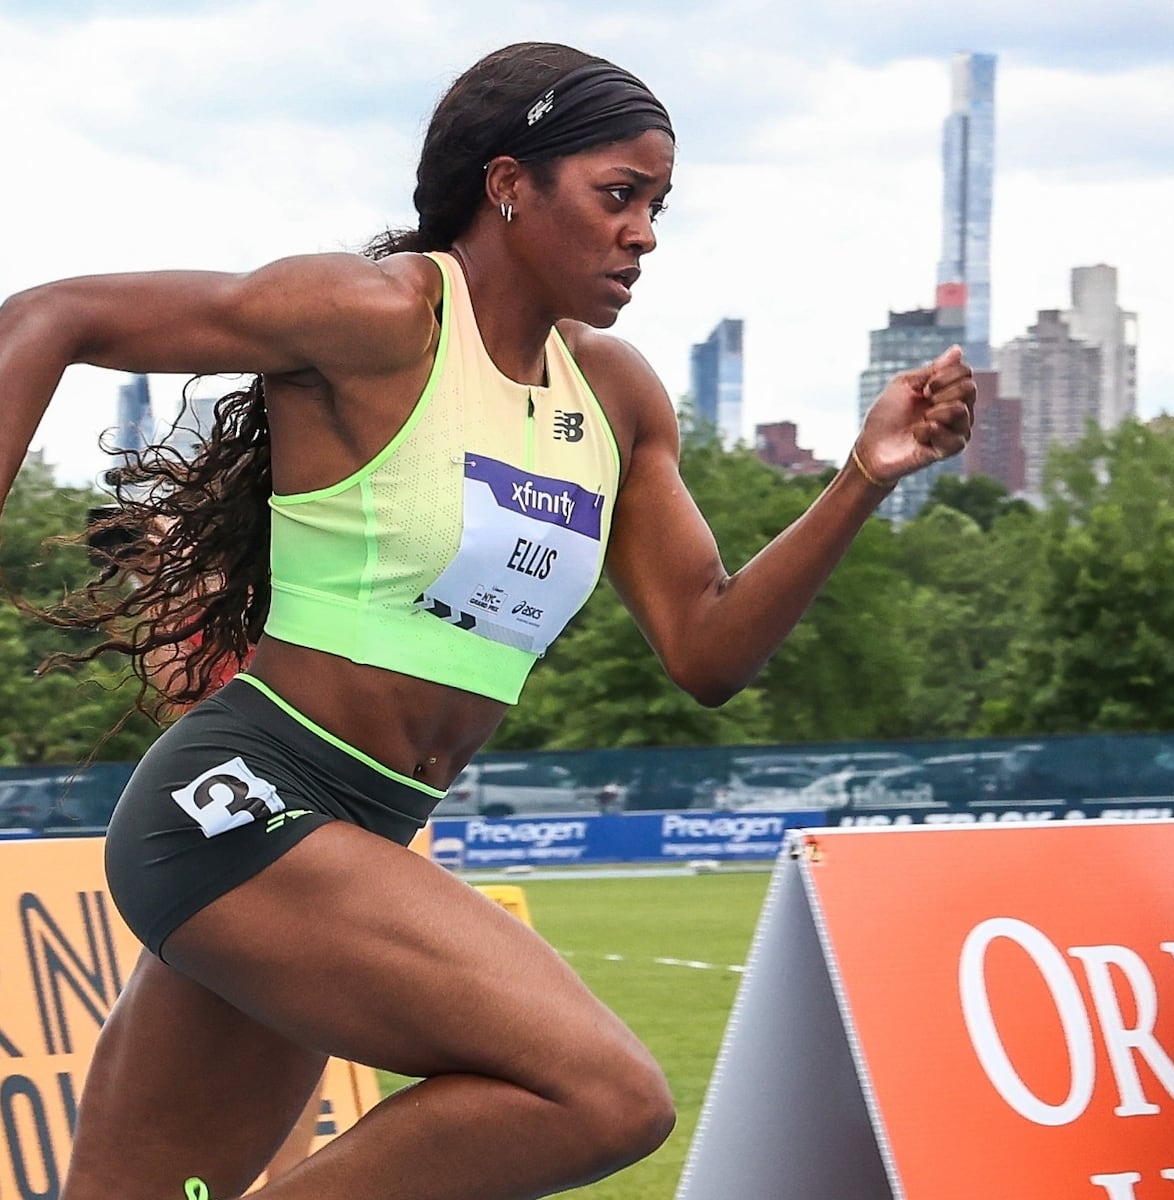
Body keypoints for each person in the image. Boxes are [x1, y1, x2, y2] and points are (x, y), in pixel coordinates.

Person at [0, 40, 974, 1200]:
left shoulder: (614, 396)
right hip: (249, 805)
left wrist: (863, 475)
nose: (646, 233)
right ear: (509, 185)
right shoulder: (376, 316)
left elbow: (707, 650)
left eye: (659, 205)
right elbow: (47, 316)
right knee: (606, 1095)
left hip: (360, 836)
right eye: (619, 196)